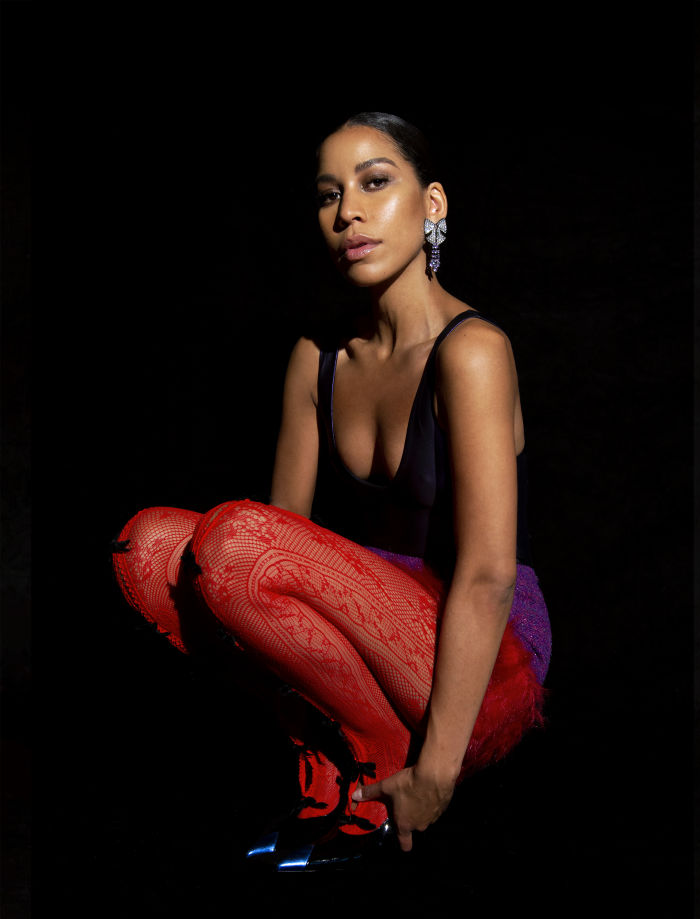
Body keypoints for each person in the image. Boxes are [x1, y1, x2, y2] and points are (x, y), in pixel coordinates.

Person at [111, 112, 551, 870]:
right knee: (150, 550)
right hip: (371, 628)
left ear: (432, 204)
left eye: (374, 182)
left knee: (235, 539)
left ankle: (390, 758)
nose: (348, 211)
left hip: (482, 654)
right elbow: (259, 566)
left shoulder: (473, 351)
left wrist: (438, 773)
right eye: (328, 194)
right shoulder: (317, 359)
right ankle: (338, 751)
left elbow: (486, 574)